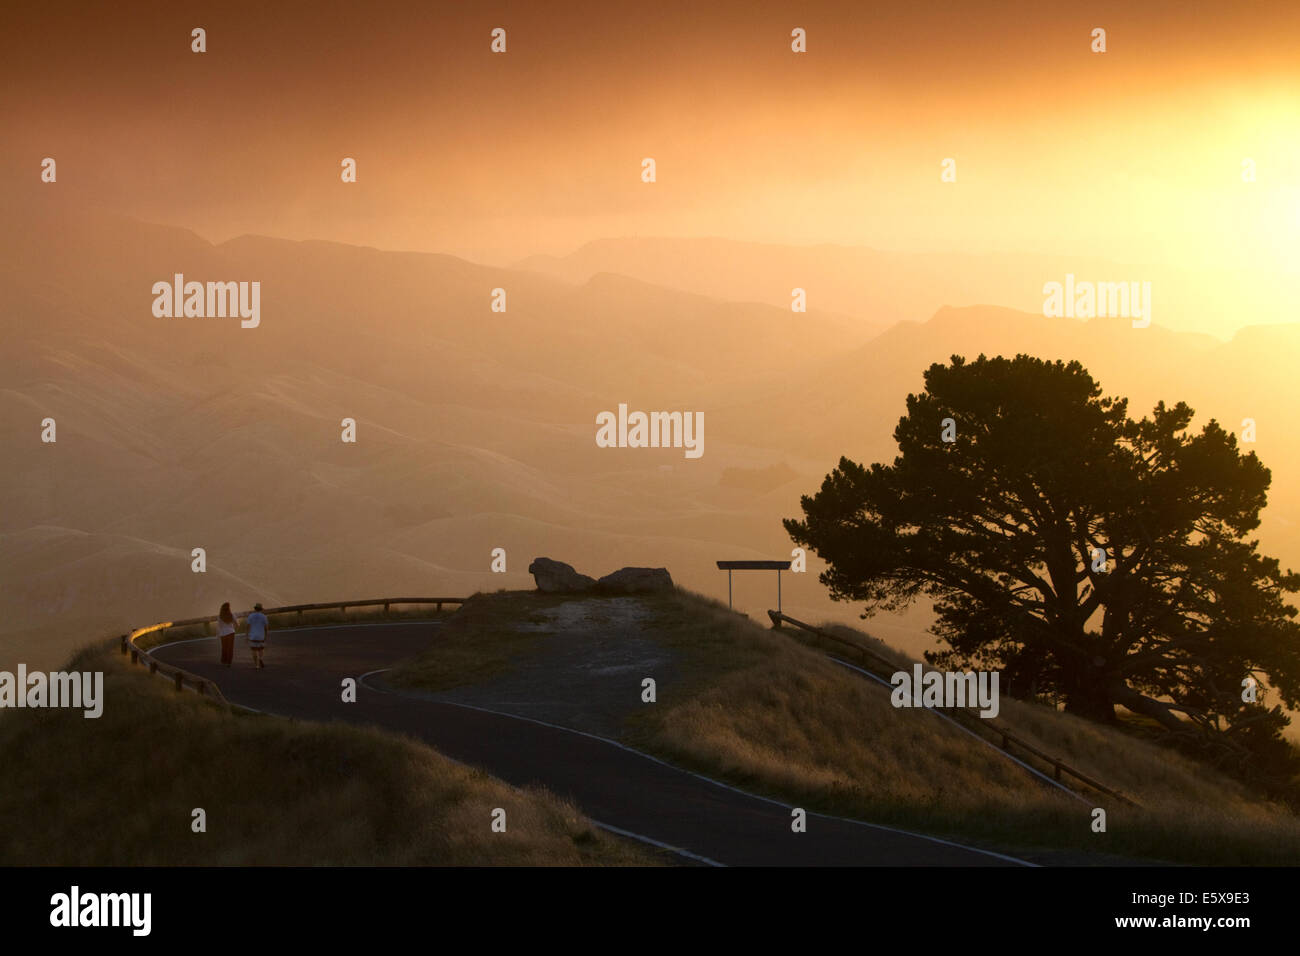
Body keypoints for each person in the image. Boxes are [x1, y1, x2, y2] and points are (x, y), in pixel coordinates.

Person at [246, 602, 270, 669]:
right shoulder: (264, 616)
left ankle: (256, 665)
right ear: (261, 609)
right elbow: (266, 628)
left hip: (253, 635)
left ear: (255, 609)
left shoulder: (250, 616)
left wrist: (247, 635)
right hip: (261, 635)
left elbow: (248, 626)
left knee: (253, 650)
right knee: (261, 649)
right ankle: (260, 658)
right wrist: (266, 636)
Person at [216, 602, 237, 666]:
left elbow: (219, 626)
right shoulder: (232, 615)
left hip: (223, 634)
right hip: (231, 632)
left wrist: (218, 635)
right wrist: (233, 628)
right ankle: (229, 662)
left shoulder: (219, 617)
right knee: (230, 648)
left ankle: (224, 660)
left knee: (224, 647)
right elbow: (236, 624)